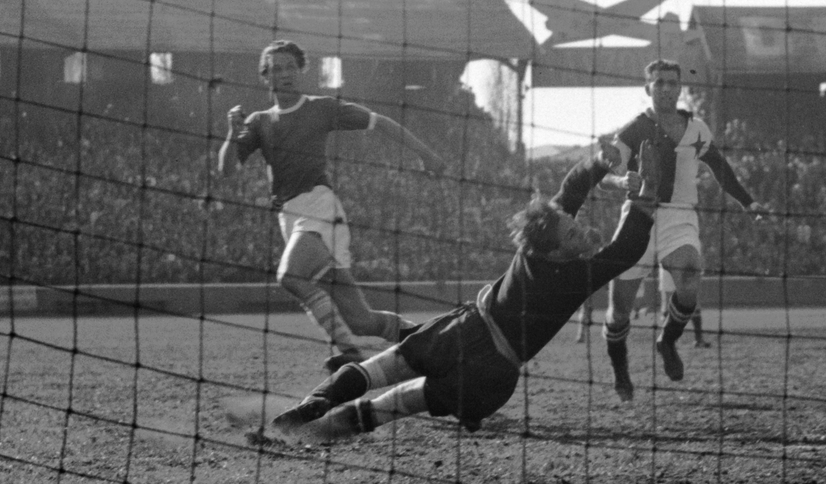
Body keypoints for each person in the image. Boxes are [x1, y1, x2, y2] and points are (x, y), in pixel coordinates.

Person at [249, 144, 661, 445]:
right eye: (571, 231)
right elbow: (625, 250)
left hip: (465, 331)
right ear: (556, 249)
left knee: (383, 372)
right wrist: (641, 203)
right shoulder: (578, 277)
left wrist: (598, 164)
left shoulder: (534, 251)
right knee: (397, 403)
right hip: (493, 373)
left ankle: (308, 411)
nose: (577, 227)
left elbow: (571, 192)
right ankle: (318, 430)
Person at [218, 40, 446, 364]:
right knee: (361, 320)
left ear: (301, 71)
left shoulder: (320, 107)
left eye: (291, 67)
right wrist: (231, 133)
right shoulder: (258, 122)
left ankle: (349, 354)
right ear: (265, 77)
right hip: (289, 219)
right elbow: (226, 170)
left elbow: (379, 121)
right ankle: (433, 342)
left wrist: (426, 154)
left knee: (291, 277)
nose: (285, 74)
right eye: (277, 69)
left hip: (320, 208)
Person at [598, 59, 768, 400]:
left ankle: (668, 341)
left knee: (690, 277)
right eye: (658, 82)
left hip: (680, 215)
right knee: (619, 311)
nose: (664, 88)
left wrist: (749, 203)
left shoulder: (698, 129)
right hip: (638, 216)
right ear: (648, 88)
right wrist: (620, 180)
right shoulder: (632, 130)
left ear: (679, 88)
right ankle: (621, 370)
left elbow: (721, 169)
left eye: (671, 82)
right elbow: (602, 175)